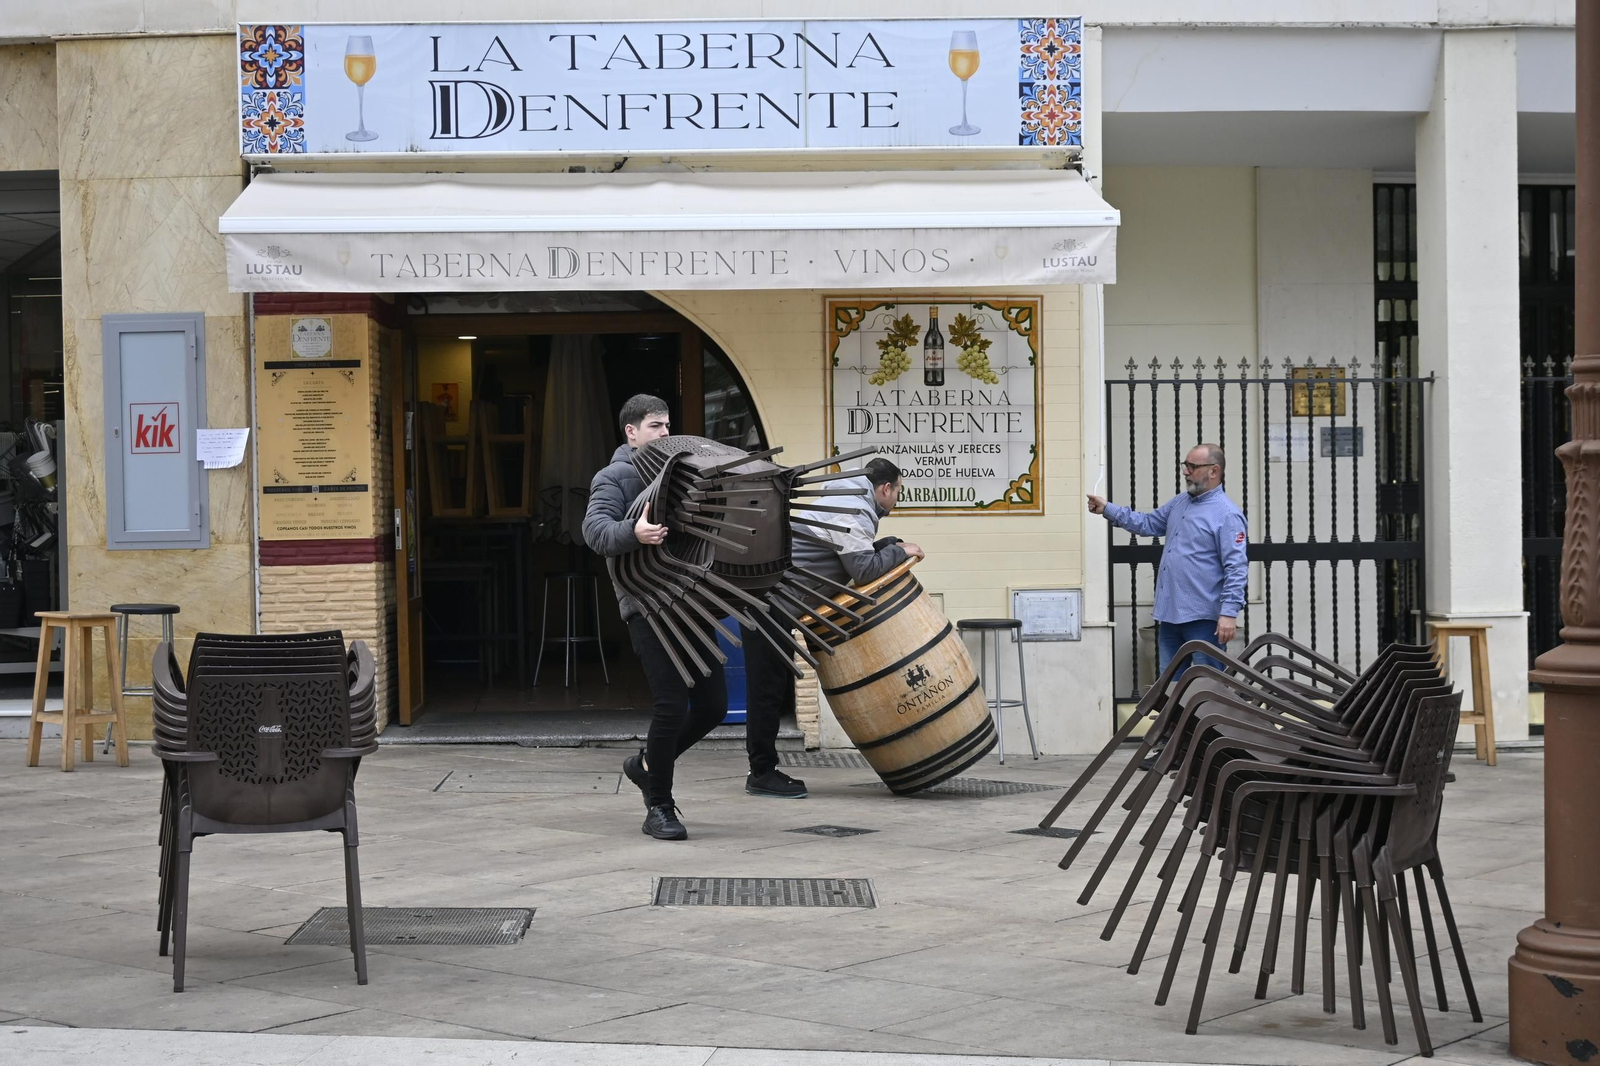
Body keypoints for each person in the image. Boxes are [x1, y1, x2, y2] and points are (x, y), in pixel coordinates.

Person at [583, 394, 725, 842]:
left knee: (713, 706)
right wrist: (635, 531)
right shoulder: (615, 476)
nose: (665, 433)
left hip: (692, 602)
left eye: (667, 426)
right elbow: (595, 532)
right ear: (631, 432)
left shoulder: (683, 473)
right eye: (655, 426)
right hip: (647, 605)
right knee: (671, 704)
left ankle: (645, 766)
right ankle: (658, 806)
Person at [739, 457, 924, 797]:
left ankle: (763, 769)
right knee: (767, 690)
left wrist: (890, 546)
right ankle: (761, 773)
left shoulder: (845, 498)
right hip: (770, 603)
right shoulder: (852, 509)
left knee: (771, 686)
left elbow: (849, 555)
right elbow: (863, 569)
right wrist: (901, 552)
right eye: (898, 491)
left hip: (773, 600)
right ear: (885, 488)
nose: (897, 499)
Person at [1086, 443, 1246, 681]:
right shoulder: (1181, 502)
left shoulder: (1227, 514)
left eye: (1192, 466)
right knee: (1169, 686)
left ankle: (1208, 720)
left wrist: (1229, 613)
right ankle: (1173, 720)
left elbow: (1236, 567)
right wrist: (1107, 509)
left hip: (1203, 618)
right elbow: (1148, 524)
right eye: (1185, 465)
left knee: (1208, 685)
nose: (1186, 471)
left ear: (1214, 471)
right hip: (1171, 615)